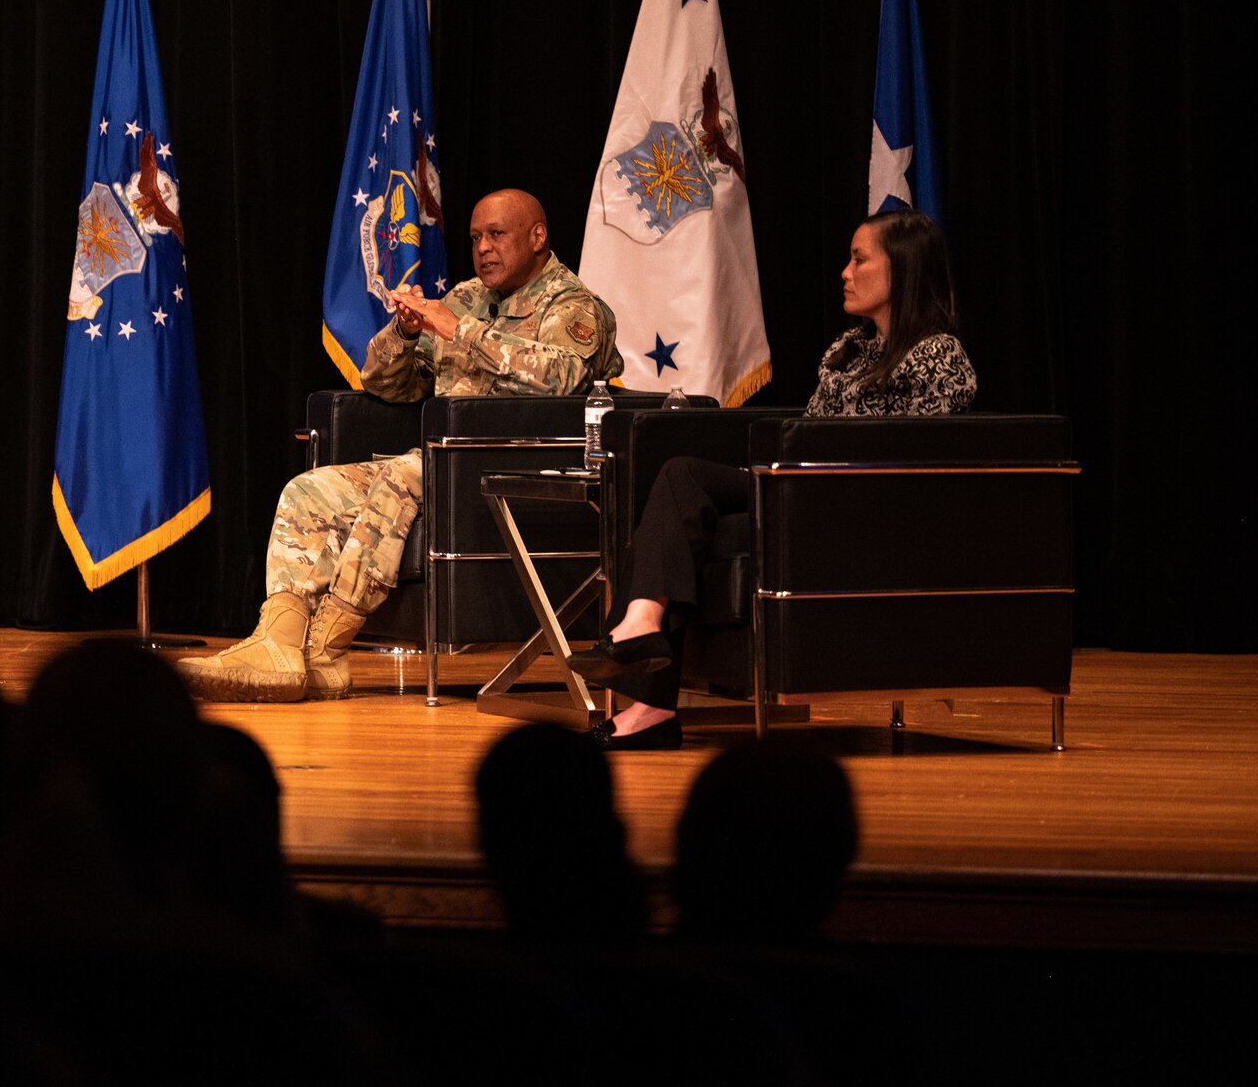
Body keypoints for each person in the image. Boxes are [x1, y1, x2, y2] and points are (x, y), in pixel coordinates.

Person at [179, 188, 623, 702]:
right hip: (436, 465)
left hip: (520, 471)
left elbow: (560, 380)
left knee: (403, 474)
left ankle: (325, 648)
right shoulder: (464, 297)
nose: (483, 249)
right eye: (476, 237)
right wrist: (406, 332)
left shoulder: (573, 306)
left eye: (497, 235)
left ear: (538, 236)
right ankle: (278, 646)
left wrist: (460, 331)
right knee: (308, 490)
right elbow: (386, 384)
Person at [572, 208, 977, 749]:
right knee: (679, 502)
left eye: (859, 259)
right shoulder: (848, 351)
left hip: (858, 507)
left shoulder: (938, 357)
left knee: (683, 481)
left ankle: (646, 676)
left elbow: (913, 461)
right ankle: (648, 680)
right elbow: (807, 430)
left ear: (902, 269)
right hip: (802, 491)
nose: (844, 272)